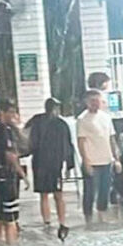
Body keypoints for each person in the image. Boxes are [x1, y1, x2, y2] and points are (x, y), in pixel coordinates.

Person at [26, 98, 75, 229]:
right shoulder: (61, 124)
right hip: (55, 164)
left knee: (44, 195)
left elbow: (27, 138)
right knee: (58, 194)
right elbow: (68, 146)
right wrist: (69, 166)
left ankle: (47, 221)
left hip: (39, 162)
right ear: (55, 109)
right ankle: (62, 221)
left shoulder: (36, 120)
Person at [0, 100, 28, 245]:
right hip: (7, 176)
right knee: (10, 218)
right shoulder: (6, 130)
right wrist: (22, 175)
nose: (13, 115)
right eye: (10, 112)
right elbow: (10, 155)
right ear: (2, 113)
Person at [77, 90, 121, 225]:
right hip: (92, 160)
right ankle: (88, 217)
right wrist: (86, 161)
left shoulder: (106, 117)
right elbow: (81, 141)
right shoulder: (82, 119)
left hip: (106, 159)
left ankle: (102, 214)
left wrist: (116, 158)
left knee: (105, 189)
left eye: (98, 101)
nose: (95, 104)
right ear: (87, 102)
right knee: (90, 191)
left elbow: (111, 138)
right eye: (92, 101)